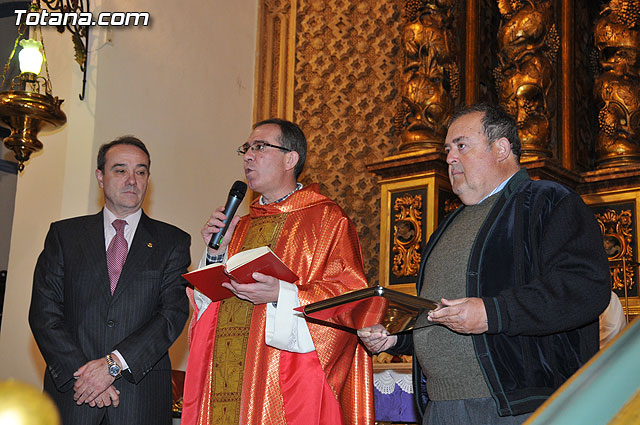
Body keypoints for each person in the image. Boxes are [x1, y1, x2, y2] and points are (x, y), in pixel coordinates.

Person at [358, 103, 611, 424]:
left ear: (501, 148)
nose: (450, 158)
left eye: (461, 146)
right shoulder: (446, 226)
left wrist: (491, 313)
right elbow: (438, 314)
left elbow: (585, 288)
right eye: (448, 150)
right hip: (441, 407)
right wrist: (396, 337)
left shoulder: (549, 201)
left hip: (516, 407)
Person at [182, 119, 374, 425]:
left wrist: (282, 295)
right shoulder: (239, 224)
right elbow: (210, 305)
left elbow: (349, 298)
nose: (248, 156)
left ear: (290, 159)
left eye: (260, 147)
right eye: (246, 148)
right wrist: (216, 252)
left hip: (282, 381)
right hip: (227, 374)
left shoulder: (326, 219)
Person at [29, 136, 191, 425]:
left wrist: (112, 366)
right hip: (74, 395)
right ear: (100, 177)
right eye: (120, 170)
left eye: (140, 171)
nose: (132, 180)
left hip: (139, 402)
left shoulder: (172, 242)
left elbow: (172, 315)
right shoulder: (65, 236)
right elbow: (45, 314)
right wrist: (87, 377)